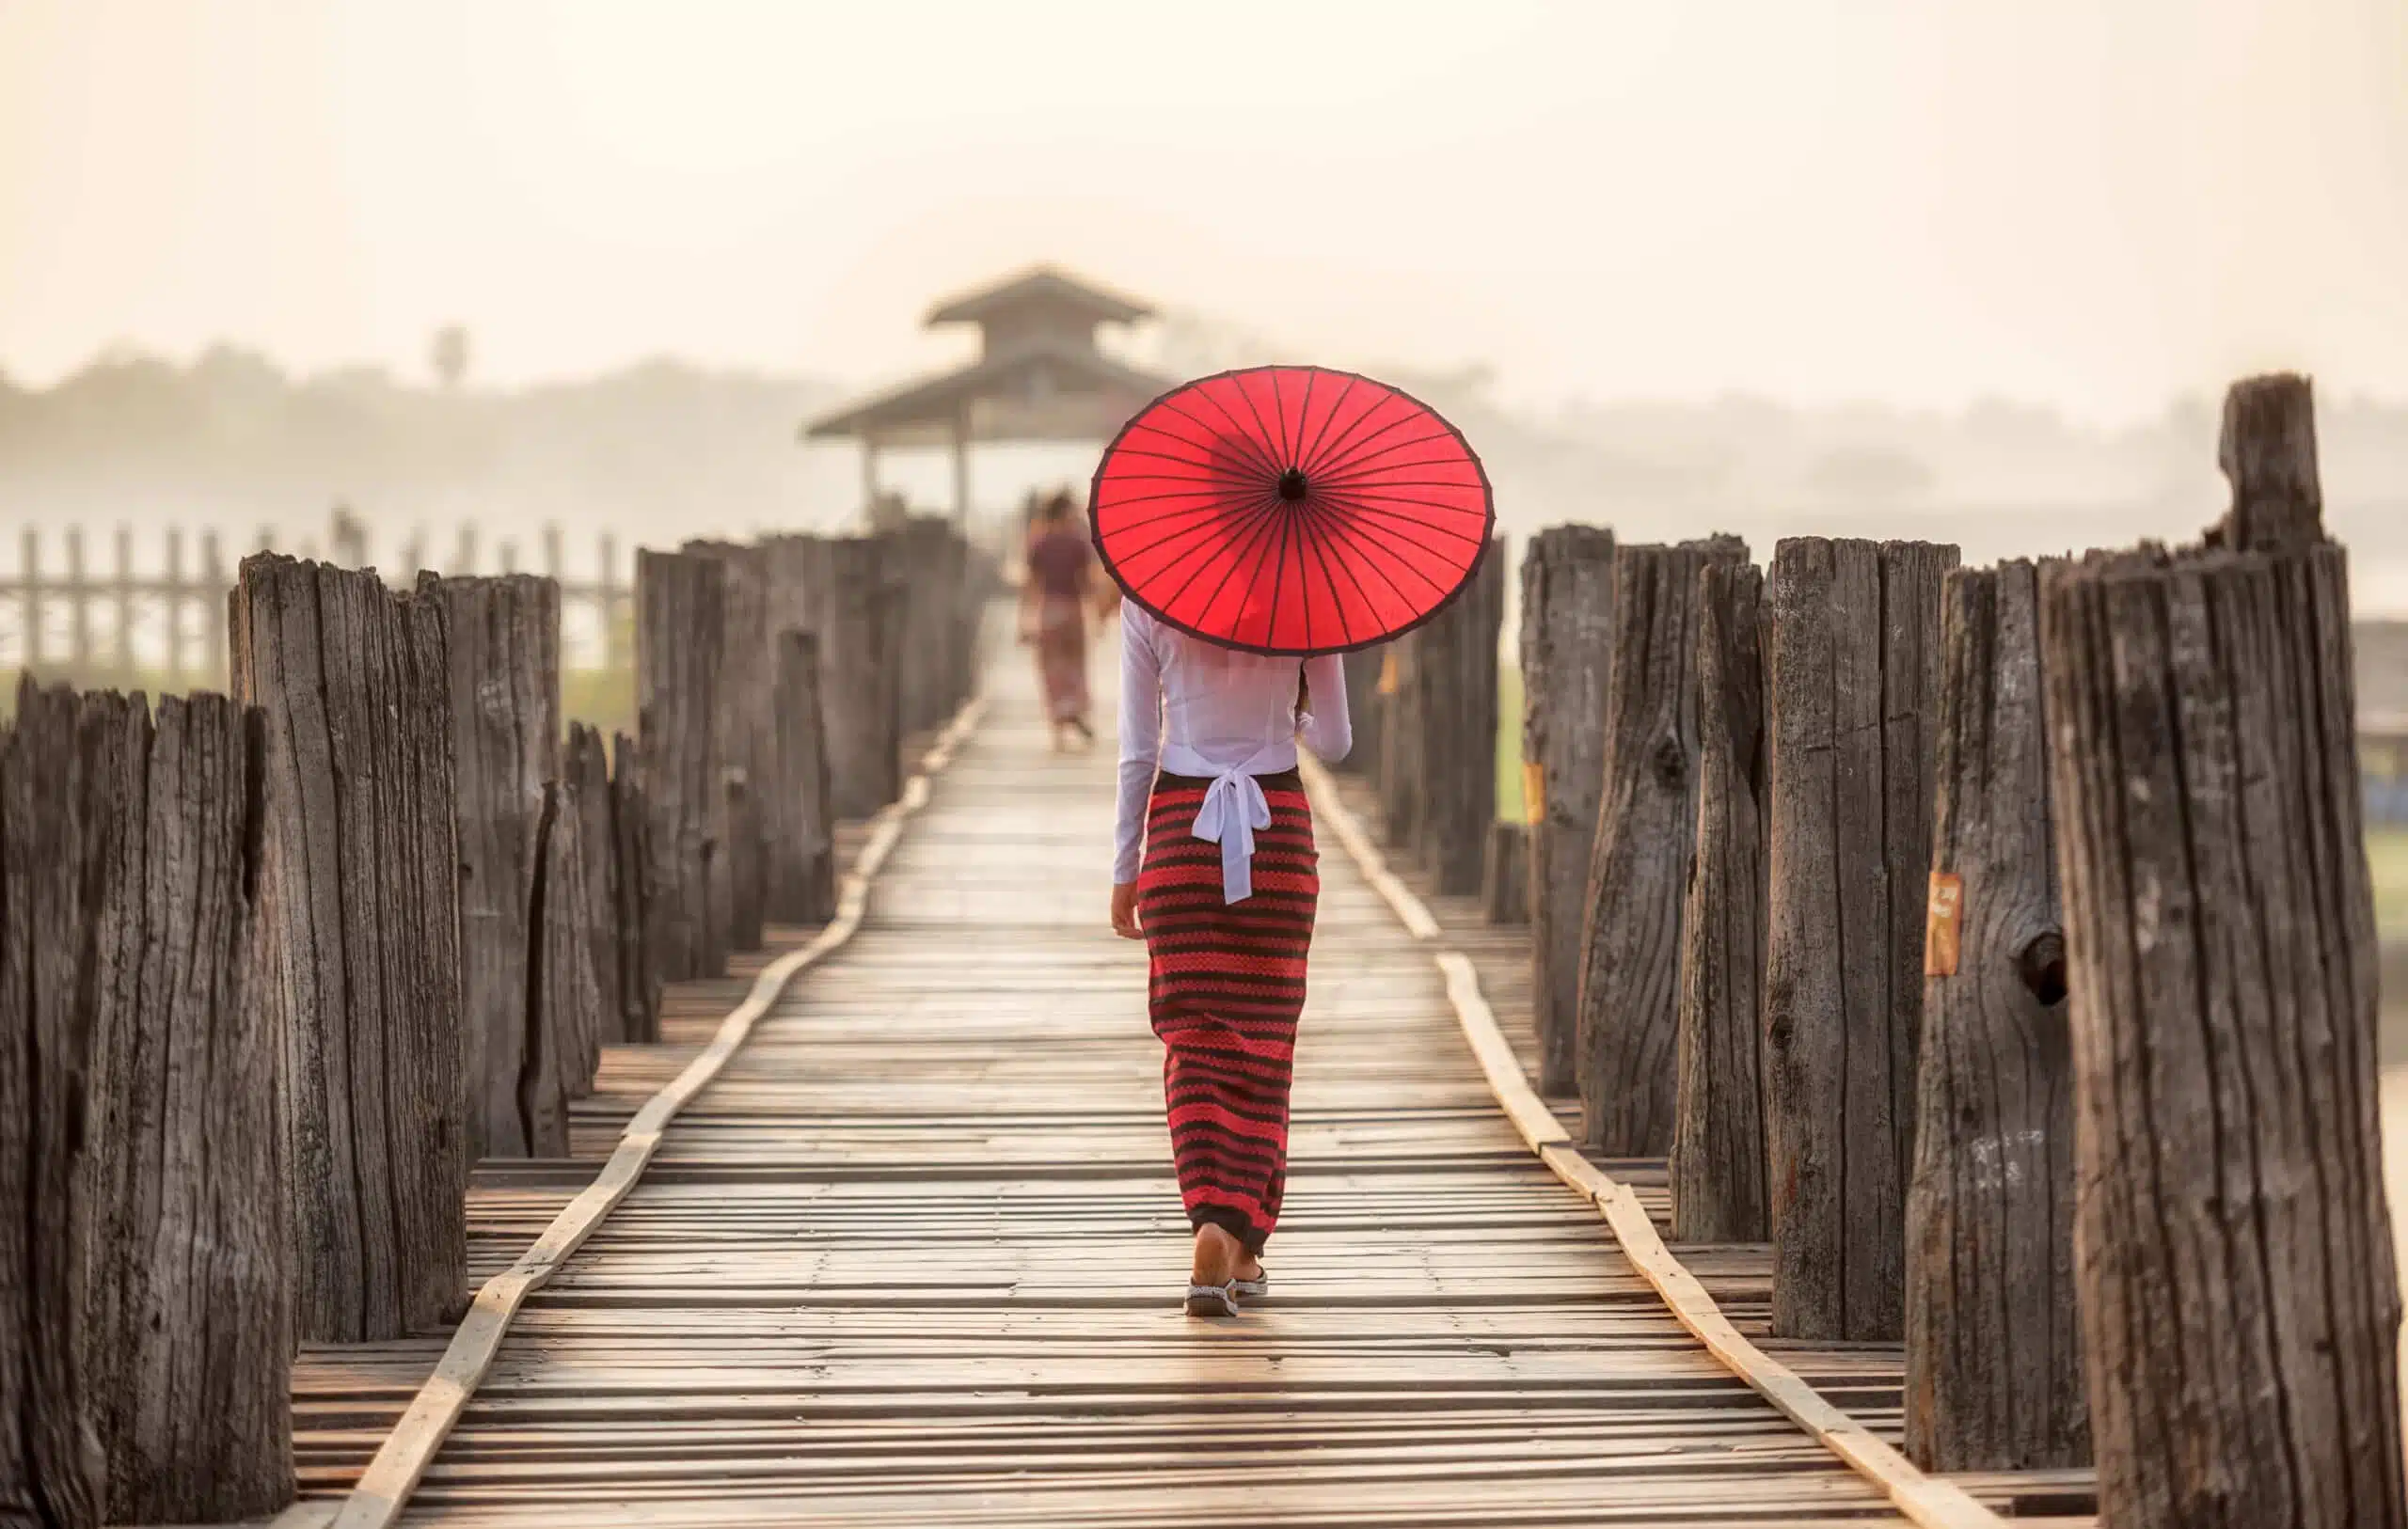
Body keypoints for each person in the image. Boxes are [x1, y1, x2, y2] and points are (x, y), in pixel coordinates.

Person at [1109, 602, 1350, 1316]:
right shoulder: (1311, 593)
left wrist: (1127, 866)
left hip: (1181, 832)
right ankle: (1238, 1231)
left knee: (1194, 1039)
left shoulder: (1148, 594)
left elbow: (1135, 747)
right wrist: (1292, 716)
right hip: (1277, 833)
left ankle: (1219, 1225)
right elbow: (1335, 742)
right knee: (1266, 1041)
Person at [1020, 490, 1099, 749]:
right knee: (1075, 663)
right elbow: (1086, 582)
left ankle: (1058, 729)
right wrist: (1095, 614)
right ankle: (1073, 707)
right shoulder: (1078, 542)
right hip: (1073, 609)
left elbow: (1031, 584)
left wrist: (1024, 620)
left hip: (1048, 610)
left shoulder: (1038, 542)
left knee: (1051, 667)